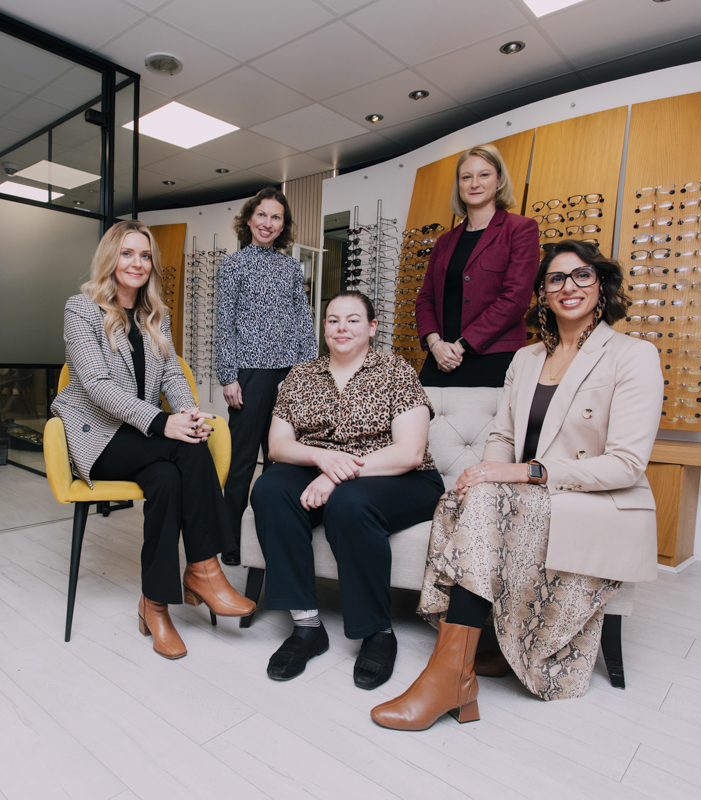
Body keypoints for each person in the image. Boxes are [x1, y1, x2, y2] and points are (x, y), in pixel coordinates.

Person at [371, 239, 663, 731]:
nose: (569, 287)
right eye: (556, 279)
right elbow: (504, 436)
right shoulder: (527, 359)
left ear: (602, 285)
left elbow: (627, 465)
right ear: (543, 293)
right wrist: (485, 472)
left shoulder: (633, 356)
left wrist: (524, 473)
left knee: (486, 498)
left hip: (591, 501)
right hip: (526, 500)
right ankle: (472, 659)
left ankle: (449, 675)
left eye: (582, 276)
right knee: (470, 494)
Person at [51, 220, 255, 660]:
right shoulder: (81, 309)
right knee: (183, 445)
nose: (137, 263)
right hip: (100, 439)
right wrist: (166, 424)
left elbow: (172, 376)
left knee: (167, 477)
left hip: (141, 441)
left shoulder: (152, 316)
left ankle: (154, 605)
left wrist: (187, 412)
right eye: (127, 253)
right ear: (110, 258)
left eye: (145, 256)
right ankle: (204, 569)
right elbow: (97, 387)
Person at [250, 291, 445, 690]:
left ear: (372, 328)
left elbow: (409, 452)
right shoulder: (301, 376)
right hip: (323, 468)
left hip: (398, 476)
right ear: (324, 327)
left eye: (353, 320)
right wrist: (323, 461)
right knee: (269, 488)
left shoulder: (396, 371)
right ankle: (307, 628)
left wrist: (338, 475)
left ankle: (378, 633)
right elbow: (278, 447)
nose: (342, 328)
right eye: (333, 320)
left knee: (349, 503)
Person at [216, 188, 318, 566]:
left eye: (275, 218)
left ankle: (274, 538)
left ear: (282, 226)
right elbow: (224, 325)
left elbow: (303, 321)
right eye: (262, 215)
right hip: (250, 374)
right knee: (242, 462)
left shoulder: (292, 268)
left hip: (289, 374)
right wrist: (229, 375)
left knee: (282, 463)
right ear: (248, 219)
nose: (267, 223)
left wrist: (307, 374)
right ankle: (230, 541)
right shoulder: (232, 265)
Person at [414, 143, 539, 387]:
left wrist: (462, 344)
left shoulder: (521, 229)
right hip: (440, 358)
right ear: (458, 184)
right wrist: (435, 343)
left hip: (494, 358)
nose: (474, 183)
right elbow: (425, 299)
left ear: (499, 179)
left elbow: (516, 298)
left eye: (484, 174)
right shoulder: (445, 242)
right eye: (466, 177)